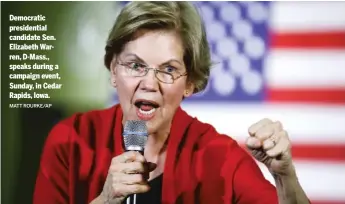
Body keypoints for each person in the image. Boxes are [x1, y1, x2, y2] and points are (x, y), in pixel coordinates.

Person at [33, 2, 310, 204]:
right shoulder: (70, 141)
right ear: (113, 70)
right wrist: (106, 200)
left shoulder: (219, 157)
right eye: (135, 65)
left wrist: (285, 176)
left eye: (167, 70)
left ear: (190, 83)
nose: (150, 83)